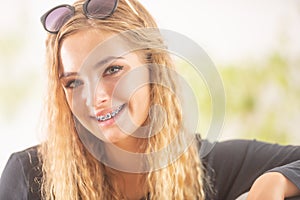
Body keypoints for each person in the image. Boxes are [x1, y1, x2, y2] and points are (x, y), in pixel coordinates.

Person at [0, 0, 299, 199]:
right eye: (74, 82)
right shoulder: (29, 175)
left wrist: (274, 181)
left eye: (113, 69)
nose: (96, 98)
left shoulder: (210, 165)